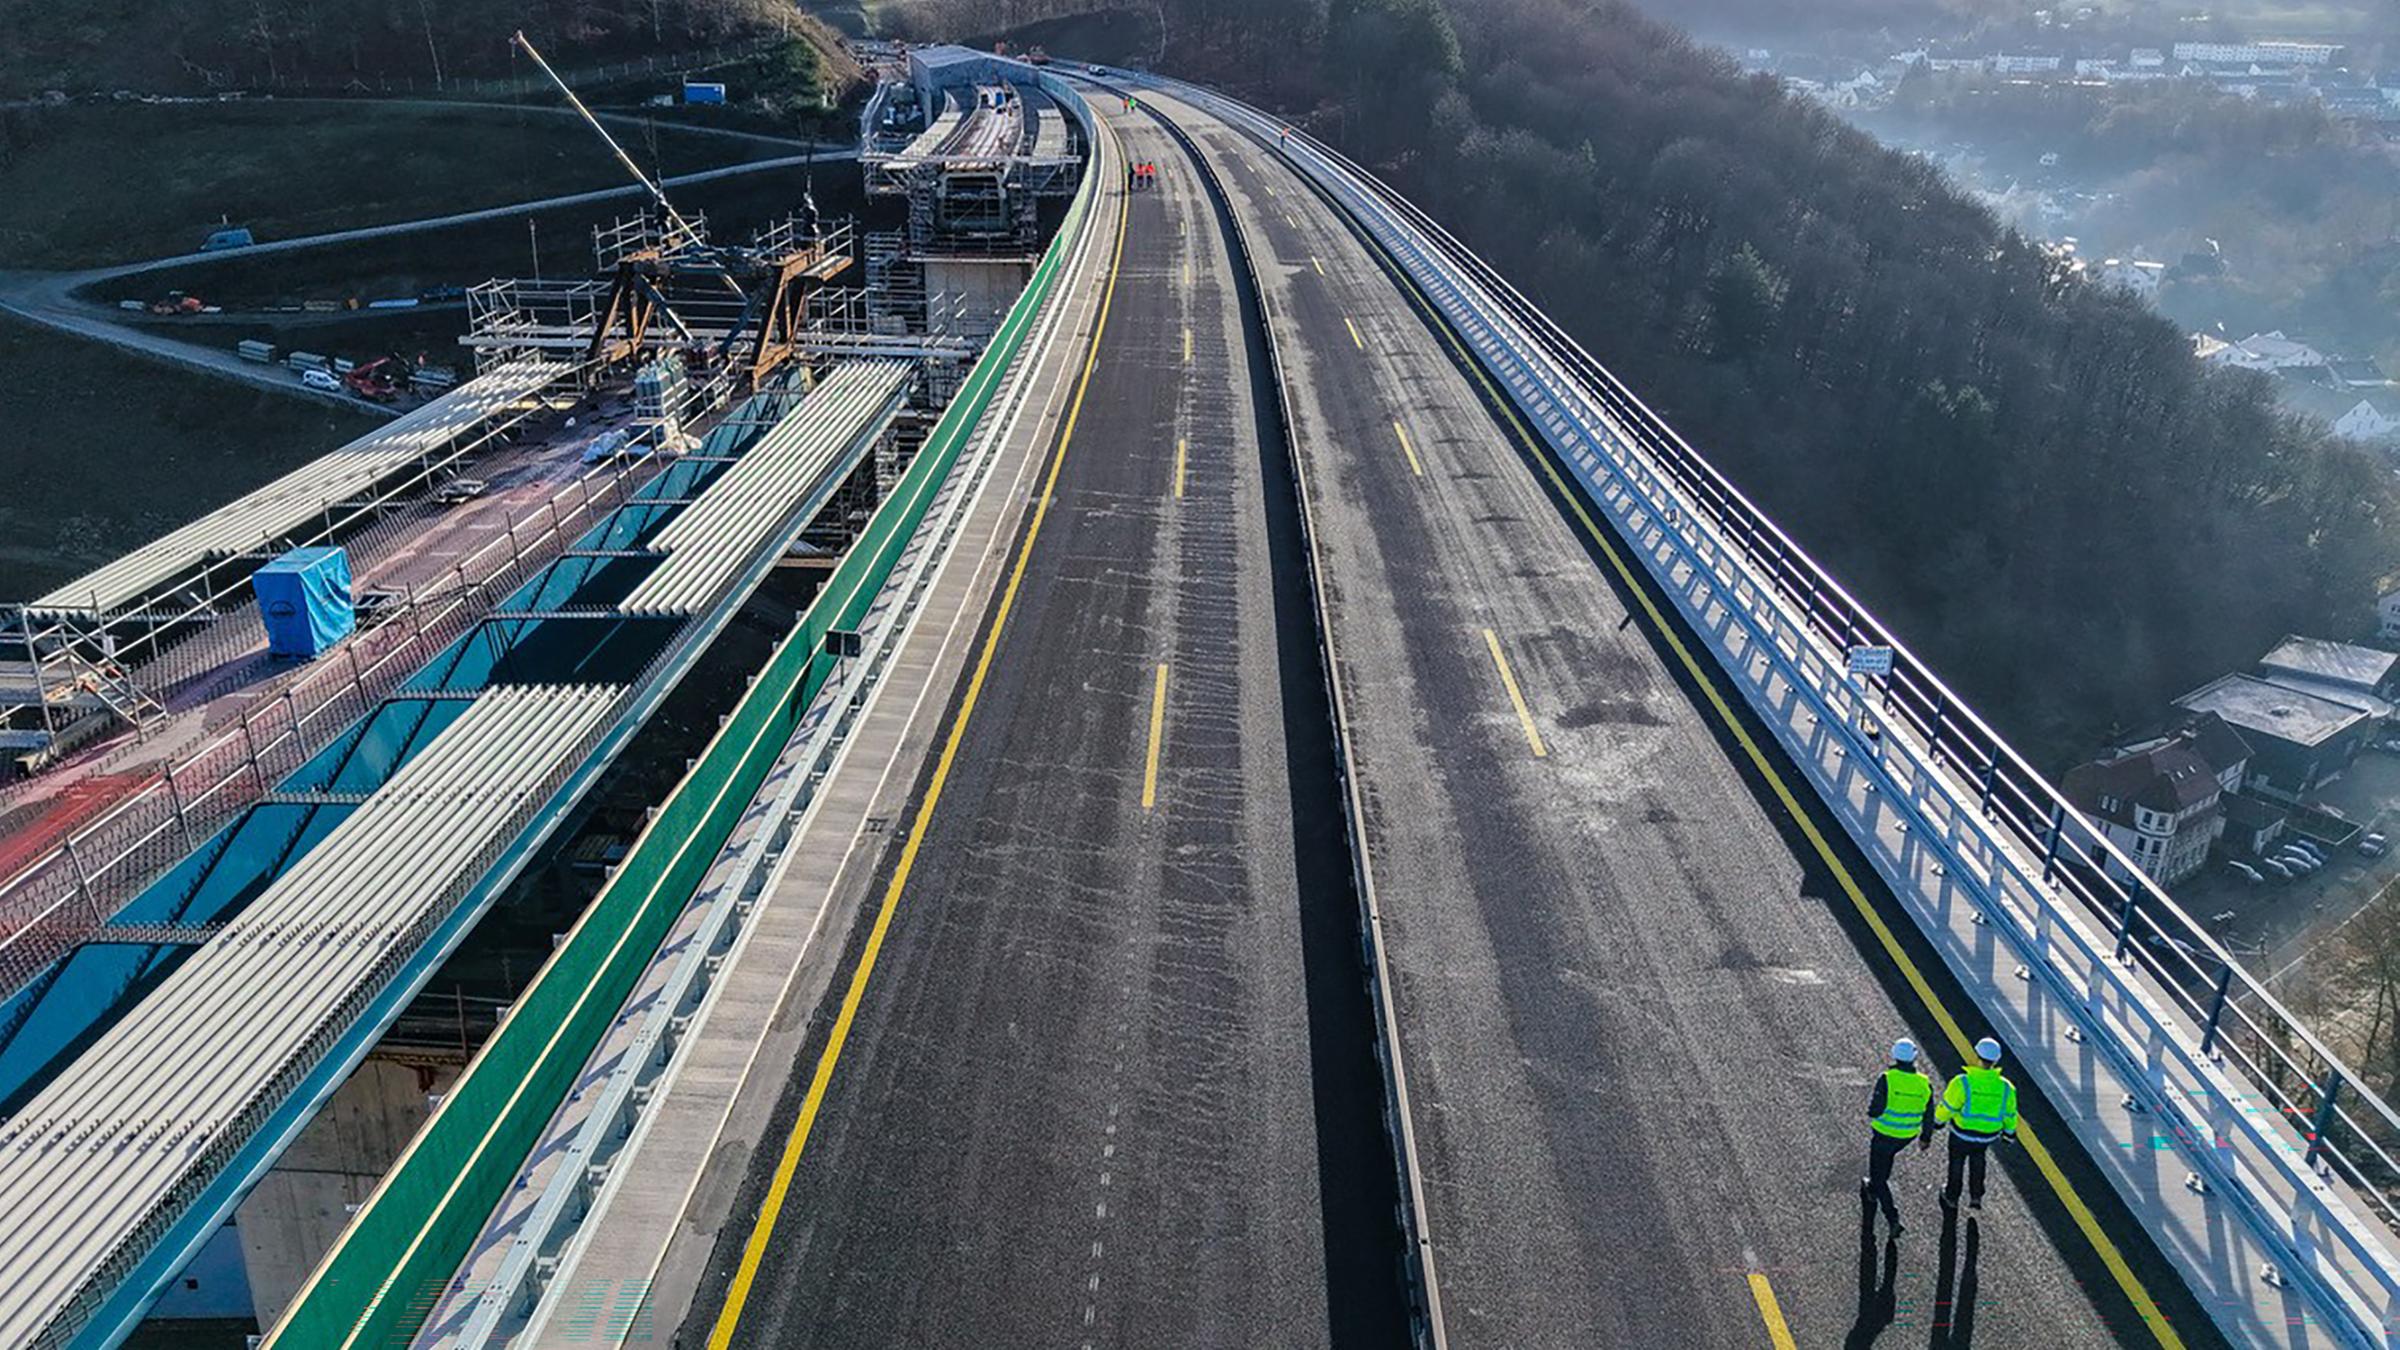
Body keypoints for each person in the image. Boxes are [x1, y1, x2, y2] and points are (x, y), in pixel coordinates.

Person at [1860, 1037, 1935, 1235]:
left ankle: (1892, 1218)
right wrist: (1925, 1137)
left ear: (1894, 1055)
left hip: (1884, 1133)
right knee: (1887, 1159)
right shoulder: (1924, 1082)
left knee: (1878, 1174)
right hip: (1906, 1136)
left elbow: (1876, 1108)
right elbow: (1929, 1113)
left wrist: (1871, 1112)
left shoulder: (1887, 1078)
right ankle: (1873, 1187)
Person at [1937, 1036, 2020, 1213]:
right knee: (1978, 1160)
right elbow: (2010, 1114)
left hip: (1961, 1133)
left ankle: (1952, 1197)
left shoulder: (1963, 1082)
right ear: (1996, 1060)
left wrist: (1937, 1122)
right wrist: (2009, 1133)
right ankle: (1976, 1196)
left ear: (1977, 1055)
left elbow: (1948, 1107)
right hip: (1986, 1136)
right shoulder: (2006, 1087)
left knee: (1956, 1162)